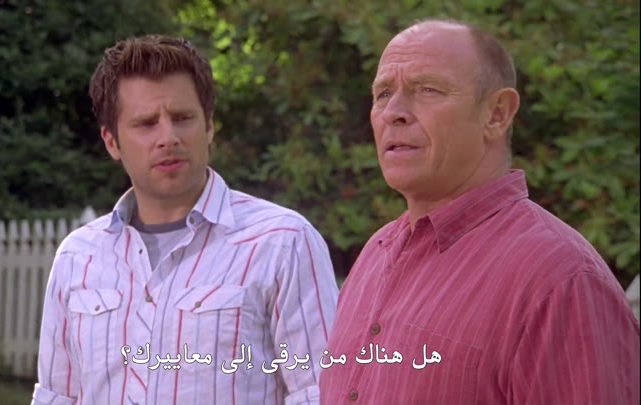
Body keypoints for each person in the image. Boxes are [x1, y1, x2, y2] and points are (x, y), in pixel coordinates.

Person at [319, 19, 640, 404]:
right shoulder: (377, 251)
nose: (394, 112)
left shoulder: (560, 279)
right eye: (383, 93)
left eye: (427, 89)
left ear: (497, 114)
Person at [32, 35, 339, 405]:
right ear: (112, 142)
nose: (168, 137)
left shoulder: (282, 242)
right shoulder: (78, 257)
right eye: (146, 123)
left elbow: (320, 392)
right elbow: (58, 396)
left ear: (208, 126)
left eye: (182, 118)